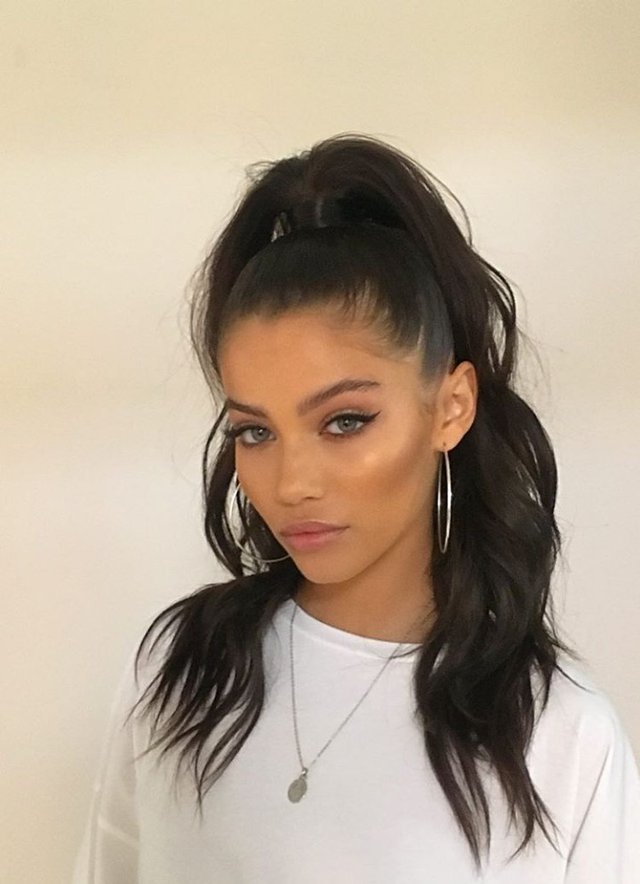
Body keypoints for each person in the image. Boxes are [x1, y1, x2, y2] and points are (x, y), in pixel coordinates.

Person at [72, 133, 640, 883]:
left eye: (344, 421)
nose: (291, 483)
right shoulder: (180, 669)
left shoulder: (559, 737)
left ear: (451, 407)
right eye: (254, 431)